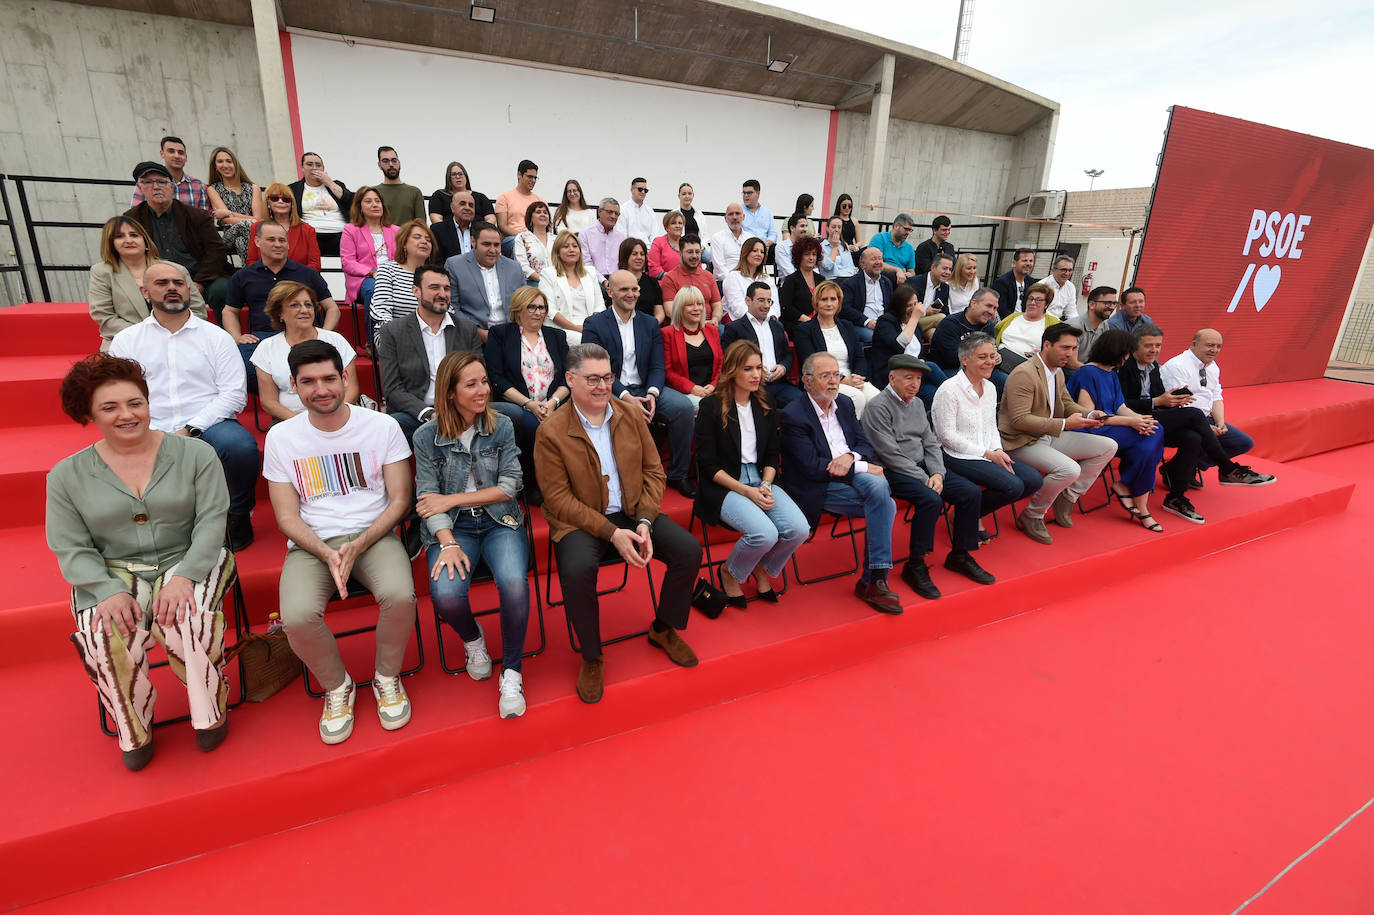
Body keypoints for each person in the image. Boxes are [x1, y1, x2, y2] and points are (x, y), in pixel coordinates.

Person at [47, 353, 234, 770]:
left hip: (189, 556)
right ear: (89, 414)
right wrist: (107, 591)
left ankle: (211, 710)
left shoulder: (196, 454)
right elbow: (70, 546)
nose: (127, 415)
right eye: (110, 407)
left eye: (135, 403)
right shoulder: (65, 476)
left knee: (186, 620)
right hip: (112, 569)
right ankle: (134, 727)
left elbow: (212, 522)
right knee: (105, 632)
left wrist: (185, 578)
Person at [264, 339, 417, 745]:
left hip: (374, 534)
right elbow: (286, 517)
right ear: (294, 386)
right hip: (312, 542)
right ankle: (338, 686)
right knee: (297, 617)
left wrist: (359, 544)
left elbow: (400, 501)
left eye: (329, 378)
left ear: (345, 377)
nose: (321, 389)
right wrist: (327, 552)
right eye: (308, 382)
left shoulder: (382, 426)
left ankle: (386, 676)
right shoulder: (281, 438)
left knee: (400, 596)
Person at [535, 342, 703, 704]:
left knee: (689, 550)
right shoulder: (551, 431)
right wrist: (612, 533)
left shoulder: (628, 413)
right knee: (577, 569)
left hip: (633, 510)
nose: (602, 386)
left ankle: (663, 628)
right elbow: (558, 499)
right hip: (581, 520)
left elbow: (654, 472)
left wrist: (644, 520)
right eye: (592, 379)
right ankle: (591, 655)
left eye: (608, 377)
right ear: (570, 380)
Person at [413, 351, 531, 718]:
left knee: (514, 584)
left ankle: (512, 671)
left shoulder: (502, 425)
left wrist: (451, 499)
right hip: (453, 527)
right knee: (446, 595)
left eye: (484, 382)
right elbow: (427, 499)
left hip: (500, 521)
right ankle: (473, 639)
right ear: (450, 392)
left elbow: (510, 486)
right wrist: (447, 541)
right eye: (471, 384)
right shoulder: (426, 436)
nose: (483, 390)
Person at [109, 263, 258, 551]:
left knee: (240, 448)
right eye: (162, 283)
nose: (172, 288)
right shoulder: (127, 340)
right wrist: (153, 431)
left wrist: (191, 428)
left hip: (209, 421)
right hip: (150, 423)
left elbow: (234, 394)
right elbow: (122, 395)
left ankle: (237, 514)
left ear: (189, 290)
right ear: (145, 291)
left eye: (178, 283)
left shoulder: (216, 337)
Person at [864, 354, 994, 598]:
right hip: (893, 470)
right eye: (908, 378)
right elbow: (889, 453)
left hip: (925, 467)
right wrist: (925, 478)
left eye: (918, 379)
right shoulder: (877, 406)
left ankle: (960, 555)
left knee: (970, 493)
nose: (914, 384)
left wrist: (937, 473)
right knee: (931, 499)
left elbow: (931, 442)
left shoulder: (916, 403)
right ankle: (916, 564)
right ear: (892, 378)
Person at [781, 352, 901, 614]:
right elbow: (812, 468)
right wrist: (861, 466)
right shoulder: (794, 415)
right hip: (817, 485)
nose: (834, 381)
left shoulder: (844, 403)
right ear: (806, 381)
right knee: (887, 504)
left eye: (836, 375)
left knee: (879, 489)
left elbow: (864, 444)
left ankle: (875, 580)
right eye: (825, 376)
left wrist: (849, 458)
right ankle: (874, 580)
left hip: (850, 472)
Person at [1119, 324, 1273, 525]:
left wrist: (1171, 402)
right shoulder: (1126, 368)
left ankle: (1175, 496)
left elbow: (1212, 397)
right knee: (1194, 416)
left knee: (1194, 437)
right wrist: (1159, 402)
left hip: (1163, 418)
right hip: (1133, 420)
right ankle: (1227, 468)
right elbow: (1120, 404)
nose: (1154, 350)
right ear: (1135, 346)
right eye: (1149, 345)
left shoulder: (1154, 366)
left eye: (1158, 345)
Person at [695, 340, 808, 605]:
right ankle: (730, 572)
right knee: (765, 534)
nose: (756, 374)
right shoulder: (711, 407)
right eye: (748, 369)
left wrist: (765, 485)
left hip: (761, 478)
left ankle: (760, 567)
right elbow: (708, 466)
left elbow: (772, 454)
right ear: (732, 370)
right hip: (725, 484)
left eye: (759, 367)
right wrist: (748, 492)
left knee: (799, 529)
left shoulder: (765, 401)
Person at [997, 323, 1117, 545]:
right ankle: (1032, 515)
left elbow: (1066, 403)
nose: (1070, 353)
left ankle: (1067, 497)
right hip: (1021, 441)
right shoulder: (1024, 373)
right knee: (1070, 469)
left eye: (1073, 348)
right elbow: (1019, 420)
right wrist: (1064, 424)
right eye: (1065, 347)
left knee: (1108, 446)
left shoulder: (1057, 371)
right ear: (1047, 345)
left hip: (1048, 435)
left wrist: (1091, 414)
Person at [583, 270, 699, 498]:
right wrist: (626, 396)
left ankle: (678, 475)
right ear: (610, 292)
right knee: (628, 413)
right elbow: (597, 370)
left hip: (646, 388)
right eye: (624, 289)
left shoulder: (649, 323)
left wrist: (652, 394)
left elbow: (657, 366)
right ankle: (631, 481)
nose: (631, 294)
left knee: (683, 408)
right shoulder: (594, 324)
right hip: (610, 390)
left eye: (634, 289)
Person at [931, 332, 1044, 540]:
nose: (990, 362)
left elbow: (991, 426)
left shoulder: (990, 387)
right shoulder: (949, 390)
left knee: (1033, 480)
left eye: (992, 356)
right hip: (954, 454)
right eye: (982, 357)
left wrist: (998, 449)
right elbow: (946, 436)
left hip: (987, 450)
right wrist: (988, 454)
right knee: (1012, 486)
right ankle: (967, 515)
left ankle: (968, 513)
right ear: (965, 359)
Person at [1066, 330, 1168, 533]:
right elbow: (1090, 418)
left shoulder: (1111, 374)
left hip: (1113, 426)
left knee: (1154, 429)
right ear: (1117, 351)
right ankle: (1136, 498)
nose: (1128, 356)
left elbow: (1120, 406)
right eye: (1127, 352)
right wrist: (1131, 422)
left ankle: (1131, 490)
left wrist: (1140, 419)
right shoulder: (1086, 373)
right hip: (1094, 431)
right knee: (1149, 438)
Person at [378, 265, 485, 444]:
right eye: (434, 287)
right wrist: (429, 414)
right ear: (416, 291)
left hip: (462, 408)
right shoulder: (393, 331)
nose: (442, 294)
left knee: (513, 414)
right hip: (417, 413)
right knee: (391, 425)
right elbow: (392, 389)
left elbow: (480, 377)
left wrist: (460, 409)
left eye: (447, 288)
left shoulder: (467, 329)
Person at [224, 221, 338, 385]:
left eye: (282, 240)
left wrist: (323, 335)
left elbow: (332, 308)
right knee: (242, 368)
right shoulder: (243, 276)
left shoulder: (308, 274)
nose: (278, 244)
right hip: (262, 338)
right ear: (257, 241)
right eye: (271, 239)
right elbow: (229, 311)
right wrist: (237, 337)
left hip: (304, 335)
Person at [1159, 329, 1276, 486]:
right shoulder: (1177, 366)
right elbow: (1177, 404)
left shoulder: (1212, 366)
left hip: (1205, 418)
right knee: (1201, 437)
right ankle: (1183, 469)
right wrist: (1205, 426)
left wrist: (1220, 422)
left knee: (1243, 442)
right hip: (1181, 419)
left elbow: (1216, 397)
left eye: (1218, 346)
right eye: (1209, 345)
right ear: (1194, 344)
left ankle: (1181, 467)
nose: (1214, 350)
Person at [485, 285, 570, 501]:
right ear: (518, 308)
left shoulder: (556, 335)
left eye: (542, 307)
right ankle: (531, 483)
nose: (538, 312)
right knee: (536, 427)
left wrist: (552, 403)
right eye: (532, 307)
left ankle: (570, 483)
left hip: (554, 403)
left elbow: (568, 377)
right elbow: (497, 377)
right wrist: (529, 404)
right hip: (519, 405)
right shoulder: (501, 334)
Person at [124, 161, 230, 313]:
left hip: (199, 277)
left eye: (162, 182)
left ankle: (223, 328)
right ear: (140, 188)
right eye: (148, 182)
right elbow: (128, 255)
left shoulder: (196, 216)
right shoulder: (132, 219)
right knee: (132, 295)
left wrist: (199, 283)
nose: (156, 187)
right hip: (156, 280)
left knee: (221, 291)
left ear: (172, 186)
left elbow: (217, 251)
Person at [88, 215, 205, 351]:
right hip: (128, 343)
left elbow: (197, 309)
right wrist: (148, 335)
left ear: (145, 239)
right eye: (120, 236)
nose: (129, 240)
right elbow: (103, 315)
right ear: (111, 243)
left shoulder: (176, 270)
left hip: (179, 340)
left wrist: (173, 333)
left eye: (134, 235)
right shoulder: (102, 272)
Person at [252, 282, 358, 421]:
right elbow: (269, 402)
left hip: (337, 417)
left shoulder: (336, 340)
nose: (304, 310)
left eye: (308, 305)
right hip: (290, 421)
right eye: (294, 305)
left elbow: (352, 390)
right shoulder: (266, 348)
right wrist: (303, 424)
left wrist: (331, 417)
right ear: (280, 313)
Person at [792, 281, 880, 417]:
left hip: (852, 378)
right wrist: (842, 380)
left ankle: (868, 431)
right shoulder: (804, 330)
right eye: (824, 299)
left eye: (833, 299)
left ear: (839, 303)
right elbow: (812, 364)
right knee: (857, 398)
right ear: (816, 302)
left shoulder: (847, 326)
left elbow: (859, 357)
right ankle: (850, 430)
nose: (829, 304)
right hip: (822, 382)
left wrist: (857, 376)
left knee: (876, 398)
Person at [719, 281, 802, 408]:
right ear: (748, 301)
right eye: (761, 300)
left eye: (769, 301)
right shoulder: (734, 328)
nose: (766, 305)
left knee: (803, 404)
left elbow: (788, 355)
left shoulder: (777, 326)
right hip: (750, 386)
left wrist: (783, 367)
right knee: (765, 406)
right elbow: (729, 360)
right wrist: (755, 371)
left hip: (780, 384)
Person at [870, 285, 949, 405]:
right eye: (908, 305)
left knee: (933, 393)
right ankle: (956, 393)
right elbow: (898, 346)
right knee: (931, 366)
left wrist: (914, 320)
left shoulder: (916, 326)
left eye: (915, 304)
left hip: (915, 375)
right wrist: (915, 318)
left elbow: (920, 355)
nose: (913, 308)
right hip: (893, 373)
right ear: (899, 306)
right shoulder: (885, 322)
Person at [446, 223, 524, 335]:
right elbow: (452, 307)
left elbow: (524, 303)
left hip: (510, 333)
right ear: (473, 242)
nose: (492, 250)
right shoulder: (454, 266)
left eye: (496, 245)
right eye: (486, 244)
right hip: (472, 335)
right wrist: (478, 332)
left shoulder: (514, 268)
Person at [928, 287, 1007, 394]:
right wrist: (984, 358)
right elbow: (953, 358)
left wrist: (995, 358)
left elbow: (991, 350)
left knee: (1007, 382)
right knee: (967, 387)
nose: (992, 312)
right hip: (952, 370)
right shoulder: (950, 324)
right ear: (974, 303)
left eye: (995, 308)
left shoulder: (988, 326)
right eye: (988, 306)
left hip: (981, 368)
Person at [369, 219, 438, 336]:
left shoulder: (436, 275)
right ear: (404, 243)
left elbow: (447, 310)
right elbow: (381, 311)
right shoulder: (388, 270)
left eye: (428, 240)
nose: (424, 242)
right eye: (417, 237)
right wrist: (401, 334)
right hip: (394, 334)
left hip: (431, 334)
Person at [539, 230, 604, 346]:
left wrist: (593, 326)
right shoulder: (548, 274)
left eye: (575, 246)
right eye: (566, 246)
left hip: (590, 326)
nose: (571, 250)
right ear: (557, 252)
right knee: (586, 341)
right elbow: (550, 310)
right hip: (562, 328)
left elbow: (599, 305)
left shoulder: (590, 272)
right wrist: (577, 328)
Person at [662, 286, 722, 409]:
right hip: (685, 394)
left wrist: (713, 385)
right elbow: (667, 371)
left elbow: (721, 363)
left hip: (713, 390)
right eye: (690, 305)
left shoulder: (712, 330)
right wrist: (692, 388)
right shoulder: (667, 333)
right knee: (708, 407)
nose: (696, 308)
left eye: (699, 304)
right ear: (680, 308)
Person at [340, 186, 398, 309]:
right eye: (368, 201)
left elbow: (404, 259)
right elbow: (348, 262)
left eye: (377, 201)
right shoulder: (350, 230)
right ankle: (377, 323)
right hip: (365, 278)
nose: (375, 204)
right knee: (375, 290)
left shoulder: (396, 231)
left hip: (394, 277)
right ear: (359, 208)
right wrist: (373, 272)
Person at [246, 182, 322, 271]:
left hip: (299, 278)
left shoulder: (308, 230)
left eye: (286, 199)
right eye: (275, 198)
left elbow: (315, 264)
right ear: (268, 202)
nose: (280, 201)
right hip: (265, 278)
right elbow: (251, 260)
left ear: (292, 203)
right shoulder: (256, 227)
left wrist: (297, 277)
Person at [291, 151, 354, 258]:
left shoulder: (335, 185)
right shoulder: (294, 189)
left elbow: (351, 200)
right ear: (302, 168)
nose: (314, 168)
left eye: (318, 165)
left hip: (340, 233)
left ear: (323, 168)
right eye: (309, 164)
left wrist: (329, 182)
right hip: (311, 234)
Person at [206, 146, 263, 259]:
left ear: (235, 164)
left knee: (241, 241)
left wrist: (229, 213)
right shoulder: (213, 189)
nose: (225, 165)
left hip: (254, 234)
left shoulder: (253, 188)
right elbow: (226, 220)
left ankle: (251, 268)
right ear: (215, 167)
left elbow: (259, 219)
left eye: (229, 161)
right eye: (220, 161)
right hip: (230, 235)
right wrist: (251, 220)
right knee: (245, 226)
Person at [994, 282, 1059, 372]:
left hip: (1028, 368)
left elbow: (1057, 350)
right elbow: (995, 335)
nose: (1032, 302)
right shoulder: (1013, 317)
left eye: (1038, 300)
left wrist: (1043, 354)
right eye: (1030, 298)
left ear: (1046, 304)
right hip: (999, 362)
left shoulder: (1053, 323)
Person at [658, 235, 722, 324]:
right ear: (680, 253)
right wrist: (698, 323)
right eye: (690, 252)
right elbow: (670, 310)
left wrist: (715, 319)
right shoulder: (670, 278)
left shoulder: (709, 276)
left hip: (710, 324)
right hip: (683, 326)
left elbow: (717, 305)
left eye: (697, 252)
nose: (694, 256)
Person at [130, 136, 208, 210]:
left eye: (180, 152)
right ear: (162, 153)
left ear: (186, 157)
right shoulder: (145, 184)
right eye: (171, 151)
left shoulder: (199, 186)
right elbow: (134, 216)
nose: (177, 156)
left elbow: (204, 217)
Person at [839, 246, 891, 343]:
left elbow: (890, 307)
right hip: (860, 324)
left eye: (880, 259)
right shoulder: (850, 284)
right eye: (873, 259)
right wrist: (867, 322)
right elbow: (845, 309)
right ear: (862, 264)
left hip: (882, 324)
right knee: (877, 338)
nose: (878, 262)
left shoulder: (886, 282)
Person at [495, 159, 545, 255]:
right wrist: (523, 237)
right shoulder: (504, 197)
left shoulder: (540, 201)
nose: (533, 181)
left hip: (536, 240)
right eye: (530, 177)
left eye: (535, 178)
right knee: (518, 243)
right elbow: (502, 226)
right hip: (512, 239)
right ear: (519, 175)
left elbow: (547, 227)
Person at [722, 237, 777, 322]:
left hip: (765, 321)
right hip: (739, 322)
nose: (759, 254)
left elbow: (775, 305)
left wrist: (767, 320)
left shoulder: (767, 279)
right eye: (755, 251)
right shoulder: (733, 277)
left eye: (762, 252)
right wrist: (757, 320)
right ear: (746, 253)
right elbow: (737, 307)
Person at [427, 160, 495, 227]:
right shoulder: (439, 196)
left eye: (460, 174)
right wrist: (446, 231)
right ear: (448, 178)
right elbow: (436, 218)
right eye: (453, 174)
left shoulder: (481, 197)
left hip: (477, 232)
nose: (458, 177)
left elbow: (491, 218)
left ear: (466, 176)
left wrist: (482, 231)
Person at [1067, 285, 1117, 375]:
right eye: (1107, 303)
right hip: (1068, 374)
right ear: (1092, 304)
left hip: (1086, 370)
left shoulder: (1104, 325)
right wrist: (1097, 371)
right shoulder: (1074, 327)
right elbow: (1071, 364)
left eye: (1114, 303)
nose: (1112, 307)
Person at [778, 236, 825, 327]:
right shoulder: (791, 280)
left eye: (814, 254)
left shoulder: (821, 279)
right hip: (798, 325)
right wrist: (807, 320)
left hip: (820, 323)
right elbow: (786, 308)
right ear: (799, 256)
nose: (811, 258)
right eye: (807, 254)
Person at [373, 146, 425, 224]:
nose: (391, 164)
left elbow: (421, 225)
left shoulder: (414, 192)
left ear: (399, 163)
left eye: (394, 160)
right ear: (379, 165)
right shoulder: (373, 192)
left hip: (408, 232)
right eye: (385, 161)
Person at [578, 197, 626, 282]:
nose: (613, 216)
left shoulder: (622, 237)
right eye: (609, 212)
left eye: (616, 214)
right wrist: (603, 281)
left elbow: (624, 264)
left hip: (617, 281)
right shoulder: (585, 234)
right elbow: (586, 264)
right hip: (593, 280)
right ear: (599, 212)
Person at [709, 203, 756, 282]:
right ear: (725, 218)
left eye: (738, 213)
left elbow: (754, 265)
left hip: (749, 281)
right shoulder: (717, 238)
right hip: (726, 281)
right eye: (731, 214)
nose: (734, 217)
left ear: (743, 217)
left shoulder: (751, 238)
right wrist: (736, 281)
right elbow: (720, 270)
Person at [620, 237, 663, 322]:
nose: (639, 257)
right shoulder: (617, 281)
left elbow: (659, 312)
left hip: (648, 326)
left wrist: (651, 325)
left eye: (642, 254)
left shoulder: (652, 282)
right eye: (634, 254)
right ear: (625, 256)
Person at [512, 200, 554, 285]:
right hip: (533, 283)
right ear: (530, 217)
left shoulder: (557, 239)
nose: (542, 214)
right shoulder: (522, 238)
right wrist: (543, 280)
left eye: (545, 212)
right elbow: (523, 266)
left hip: (557, 282)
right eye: (538, 212)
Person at [432, 190, 480, 263]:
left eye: (471, 205)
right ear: (452, 207)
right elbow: (437, 262)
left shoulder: (481, 230)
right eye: (462, 204)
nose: (467, 208)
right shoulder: (438, 230)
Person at [870, 213, 917, 285]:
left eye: (910, 230)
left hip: (901, 280)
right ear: (896, 226)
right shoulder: (880, 238)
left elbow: (911, 271)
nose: (908, 233)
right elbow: (874, 263)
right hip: (881, 276)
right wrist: (897, 270)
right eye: (906, 229)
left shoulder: (909, 247)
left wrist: (910, 274)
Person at [992, 247, 1036, 318]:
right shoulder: (1002, 282)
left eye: (1031, 261)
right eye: (1024, 260)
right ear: (1014, 263)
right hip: (1008, 320)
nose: (1028, 263)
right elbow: (1001, 310)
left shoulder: (1031, 282)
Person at [617, 177, 659, 244]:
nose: (643, 192)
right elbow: (621, 235)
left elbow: (654, 234)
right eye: (640, 189)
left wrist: (651, 248)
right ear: (632, 190)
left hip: (648, 249)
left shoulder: (650, 211)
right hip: (629, 248)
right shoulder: (622, 210)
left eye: (645, 190)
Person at [648, 209, 686, 279]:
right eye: (673, 223)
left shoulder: (688, 243)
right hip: (665, 282)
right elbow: (654, 269)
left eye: (680, 223)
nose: (677, 226)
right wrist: (674, 278)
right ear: (666, 227)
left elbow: (697, 267)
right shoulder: (658, 242)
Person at [1041, 255, 1079, 321]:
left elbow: (1071, 311)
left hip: (1058, 323)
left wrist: (1077, 323)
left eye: (1070, 270)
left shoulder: (1070, 287)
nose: (1067, 273)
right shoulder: (1042, 286)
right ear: (1053, 270)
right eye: (1063, 270)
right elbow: (1040, 311)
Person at [774, 215, 809, 282]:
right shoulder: (781, 247)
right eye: (802, 226)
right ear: (792, 228)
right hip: (790, 285)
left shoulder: (808, 246)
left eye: (806, 226)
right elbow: (790, 273)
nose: (805, 229)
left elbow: (815, 269)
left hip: (809, 284)